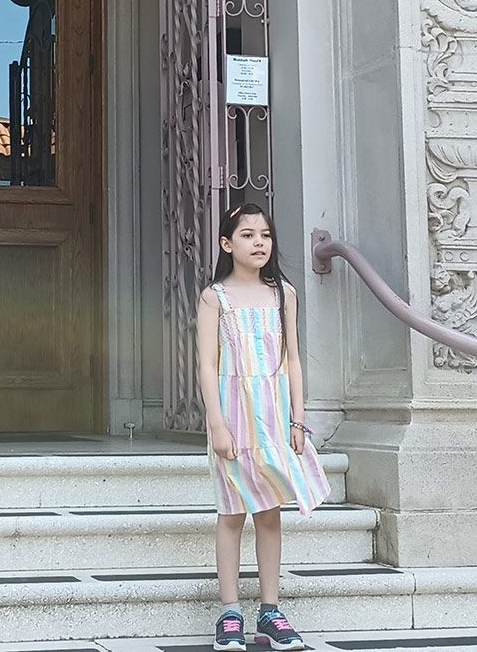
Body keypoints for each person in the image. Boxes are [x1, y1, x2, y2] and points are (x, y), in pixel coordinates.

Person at [198, 202, 330, 651]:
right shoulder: (215, 297)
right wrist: (217, 424)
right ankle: (230, 611)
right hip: (233, 418)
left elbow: (293, 360)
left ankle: (270, 611)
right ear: (226, 243)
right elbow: (207, 364)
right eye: (248, 235)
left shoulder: (283, 294)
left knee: (270, 512)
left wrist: (298, 419)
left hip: (273, 417)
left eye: (265, 235)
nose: (259, 243)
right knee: (232, 512)